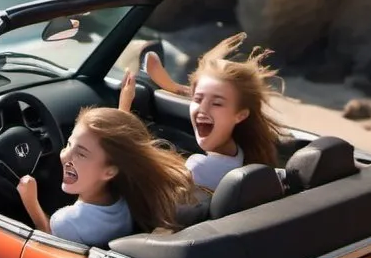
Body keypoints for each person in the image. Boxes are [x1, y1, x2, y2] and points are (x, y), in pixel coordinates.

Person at [118, 32, 286, 191]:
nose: (203, 109)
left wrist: (123, 109)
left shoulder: (198, 169)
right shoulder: (242, 155)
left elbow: (125, 163)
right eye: (198, 99)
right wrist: (174, 87)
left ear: (240, 115)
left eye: (217, 103)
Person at [16, 106, 195, 247]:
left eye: (81, 153)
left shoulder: (67, 221)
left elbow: (47, 236)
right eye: (69, 144)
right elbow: (117, 145)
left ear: (109, 171)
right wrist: (123, 107)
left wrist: (30, 200)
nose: (65, 156)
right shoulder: (126, 196)